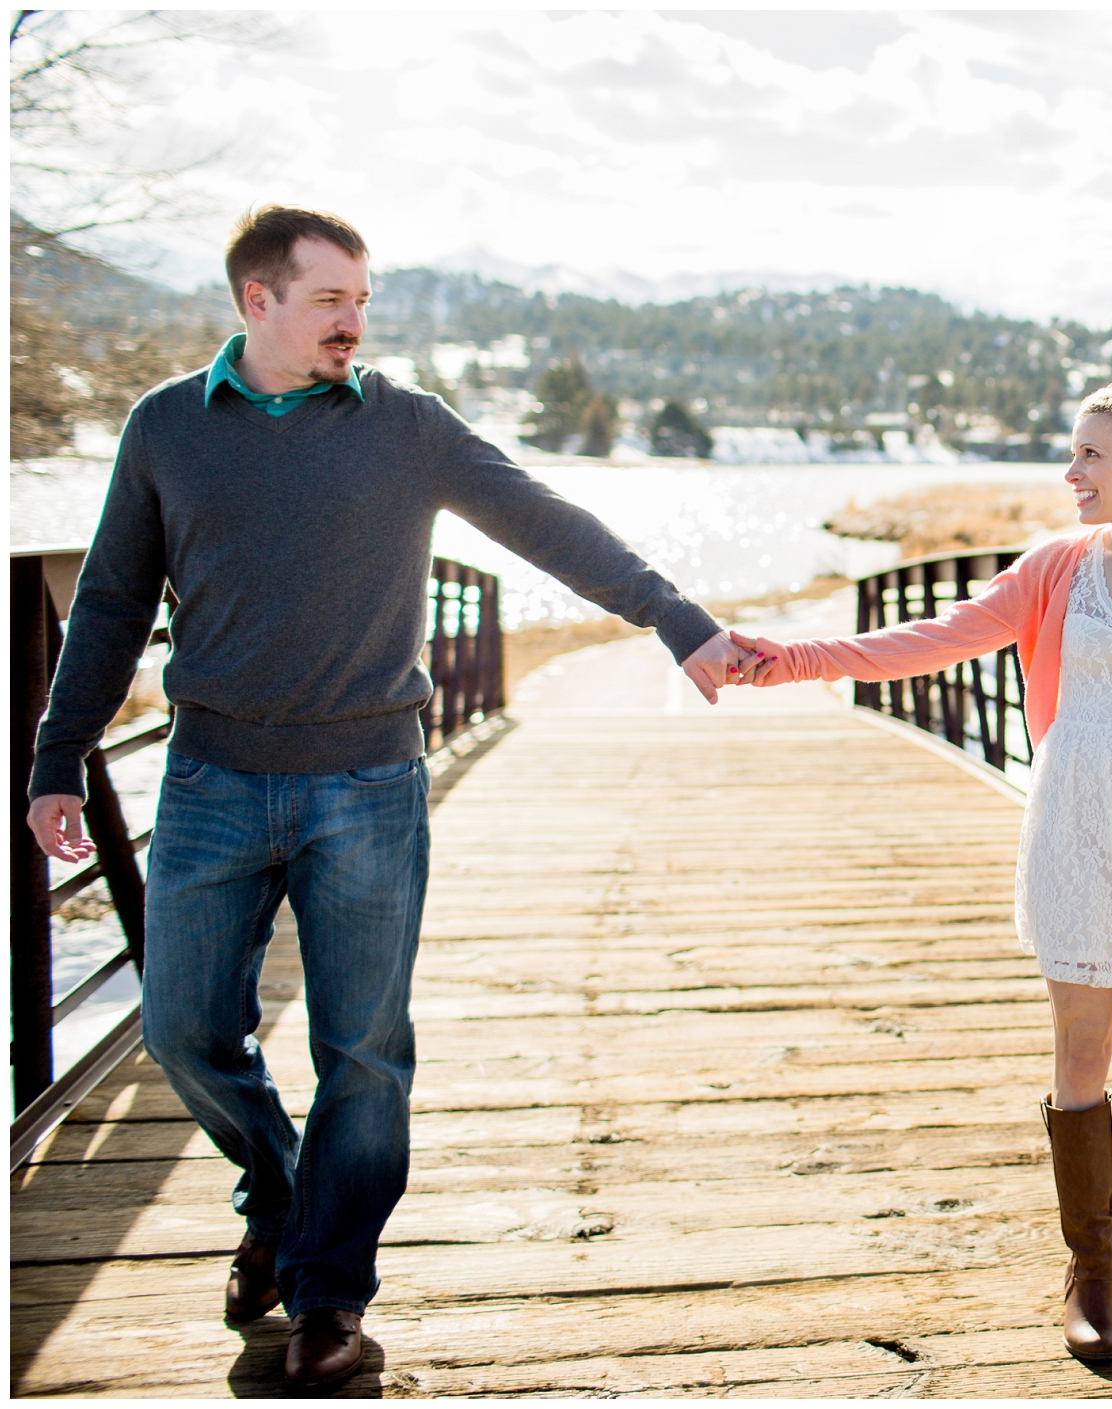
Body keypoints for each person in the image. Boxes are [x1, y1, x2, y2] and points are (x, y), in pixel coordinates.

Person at [24, 204, 752, 1390]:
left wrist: (673, 616)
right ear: (255, 302)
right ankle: (278, 1190)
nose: (354, 323)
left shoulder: (406, 425)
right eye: (329, 301)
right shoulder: (166, 425)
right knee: (182, 1029)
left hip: (366, 784)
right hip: (210, 779)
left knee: (363, 1051)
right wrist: (59, 755)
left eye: (363, 299)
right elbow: (108, 600)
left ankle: (327, 1294)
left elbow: (542, 519)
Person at [731, 380, 1112, 1361]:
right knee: (1079, 1054)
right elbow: (933, 639)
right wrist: (790, 657)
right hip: (1075, 821)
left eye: (1090, 456)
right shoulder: (1058, 567)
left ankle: (1109, 1238)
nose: (1070, 474)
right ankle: (1091, 1267)